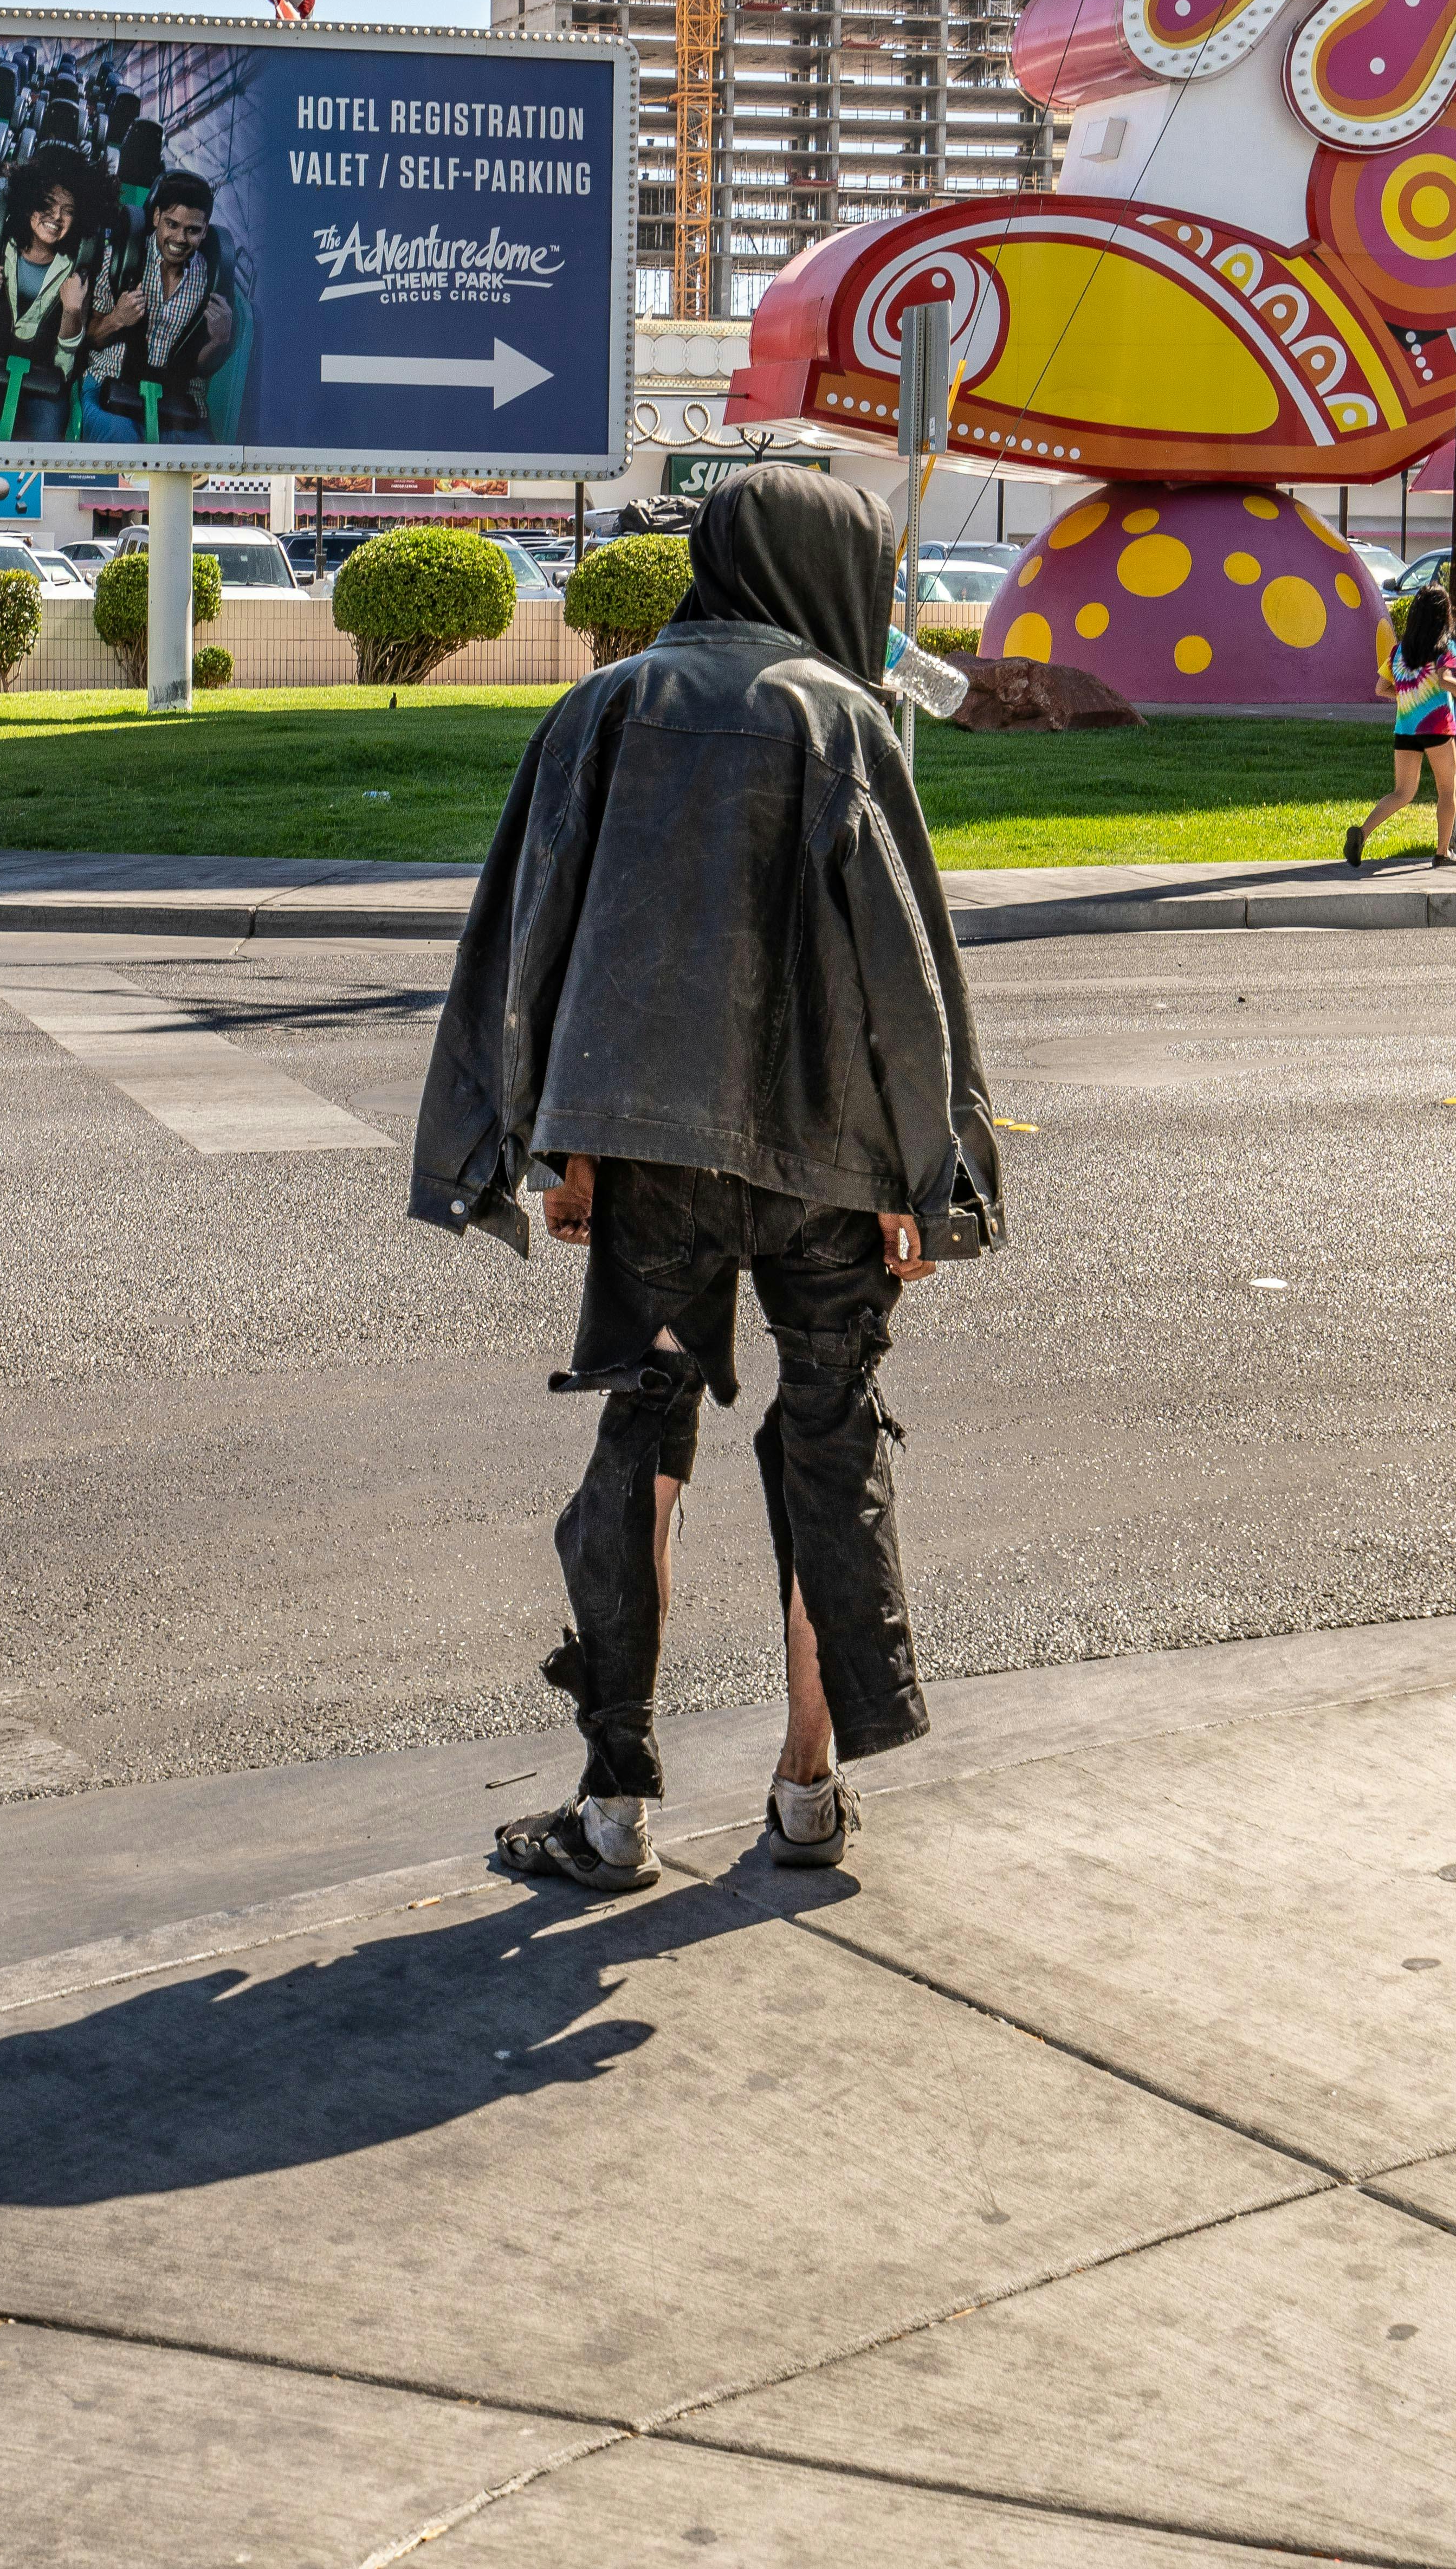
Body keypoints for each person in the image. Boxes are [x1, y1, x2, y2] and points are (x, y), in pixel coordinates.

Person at [411, 467, 1004, 1895]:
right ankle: (809, 1785)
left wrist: (557, 1152)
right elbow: (908, 987)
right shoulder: (846, 719)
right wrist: (933, 1183)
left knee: (643, 1450)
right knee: (829, 1445)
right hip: (833, 1165)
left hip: (649, 1159)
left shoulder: (603, 710)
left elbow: (532, 935)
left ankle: (615, 1808)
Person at [1346, 581, 1456, 869]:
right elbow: (1445, 681)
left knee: (1402, 793)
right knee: (1446, 792)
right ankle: (1442, 853)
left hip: (1405, 731)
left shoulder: (1399, 651)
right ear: (1443, 616)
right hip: (1438, 730)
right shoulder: (1444, 646)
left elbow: (1381, 688)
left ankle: (1362, 833)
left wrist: (1409, 697)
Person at [0, 149, 104, 442]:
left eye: (69, 211)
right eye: (47, 204)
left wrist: (73, 311)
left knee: (44, 443)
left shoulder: (79, 267)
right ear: (28, 205)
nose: (57, 217)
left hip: (47, 374)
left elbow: (69, 347)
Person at [79, 173, 234, 443]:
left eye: (193, 230)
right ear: (156, 218)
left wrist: (219, 341)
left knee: (198, 461)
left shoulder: (211, 282)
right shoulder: (118, 262)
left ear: (205, 231)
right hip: (113, 383)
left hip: (177, 398)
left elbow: (201, 366)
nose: (180, 238)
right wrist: (116, 320)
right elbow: (91, 338)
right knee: (122, 449)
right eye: (172, 225)